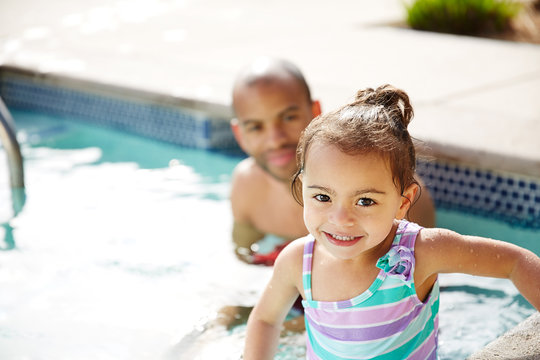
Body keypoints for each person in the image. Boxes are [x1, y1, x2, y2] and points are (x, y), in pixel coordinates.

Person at [243, 85, 540, 359]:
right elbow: (266, 319)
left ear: (402, 203)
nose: (340, 219)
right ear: (302, 188)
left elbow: (514, 262)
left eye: (365, 201)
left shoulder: (420, 252)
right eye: (323, 197)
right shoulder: (298, 261)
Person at [230, 58, 436, 265]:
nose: (275, 140)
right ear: (239, 134)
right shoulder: (246, 185)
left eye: (289, 118)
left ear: (315, 111)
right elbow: (245, 260)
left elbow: (415, 281)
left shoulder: (392, 194)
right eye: (256, 127)